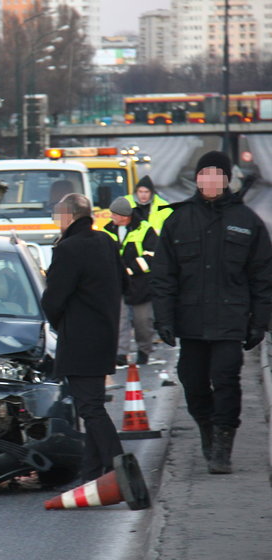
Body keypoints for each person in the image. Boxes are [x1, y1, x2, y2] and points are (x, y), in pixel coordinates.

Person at [151, 150, 272, 474]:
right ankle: (206, 425)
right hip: (191, 322)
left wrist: (259, 323)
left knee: (226, 380)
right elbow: (164, 276)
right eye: (205, 174)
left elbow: (263, 277)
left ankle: (222, 444)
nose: (210, 181)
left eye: (217, 175)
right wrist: (162, 319)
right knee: (192, 382)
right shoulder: (178, 219)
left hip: (231, 321)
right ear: (198, 178)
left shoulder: (246, 221)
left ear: (226, 180)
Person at [41, 193, 127, 481]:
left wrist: (60, 324)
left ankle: (119, 466)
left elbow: (53, 300)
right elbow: (123, 283)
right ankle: (91, 475)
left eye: (58, 215)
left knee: (89, 407)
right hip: (105, 336)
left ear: (69, 216)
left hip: (79, 339)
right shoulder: (106, 241)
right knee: (90, 404)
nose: (57, 220)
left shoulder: (68, 249)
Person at [103, 196, 159, 366]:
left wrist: (130, 269)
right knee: (120, 320)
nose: (111, 217)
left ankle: (144, 350)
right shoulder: (107, 231)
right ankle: (121, 353)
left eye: (114, 214)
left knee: (143, 322)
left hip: (140, 285)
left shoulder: (145, 229)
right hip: (117, 285)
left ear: (124, 215)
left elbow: (151, 255)